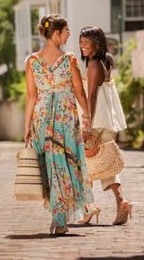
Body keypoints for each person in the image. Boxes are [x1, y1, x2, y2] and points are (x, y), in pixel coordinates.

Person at [23, 14, 95, 236]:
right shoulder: (70, 59)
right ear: (55, 34)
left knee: (52, 166)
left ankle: (59, 216)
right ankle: (60, 217)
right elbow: (79, 92)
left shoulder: (32, 61)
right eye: (66, 31)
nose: (69, 35)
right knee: (67, 164)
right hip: (65, 119)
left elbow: (31, 97)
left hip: (42, 118)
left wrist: (26, 126)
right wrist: (88, 114)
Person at [78, 25, 132, 225]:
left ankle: (89, 208)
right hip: (106, 119)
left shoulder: (93, 64)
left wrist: (87, 124)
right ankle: (121, 201)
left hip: (96, 121)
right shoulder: (105, 61)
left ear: (97, 43)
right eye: (81, 41)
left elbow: (91, 96)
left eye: (86, 41)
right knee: (104, 163)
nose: (82, 45)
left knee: (84, 163)